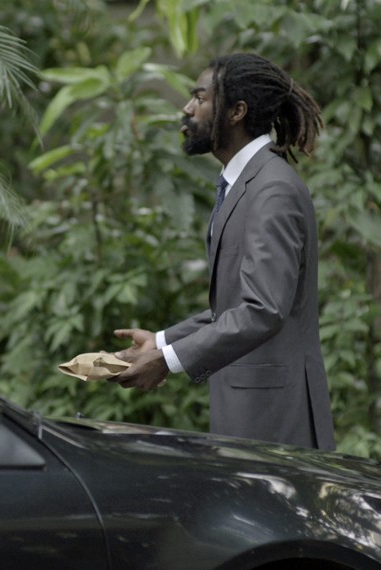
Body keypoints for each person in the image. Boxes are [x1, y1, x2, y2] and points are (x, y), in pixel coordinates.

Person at [110, 53, 336, 450]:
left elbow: (262, 309)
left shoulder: (272, 190)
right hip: (251, 410)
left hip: (276, 419)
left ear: (236, 111)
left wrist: (170, 360)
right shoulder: (243, 183)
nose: (187, 108)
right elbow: (234, 303)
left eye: (200, 98)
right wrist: (161, 342)